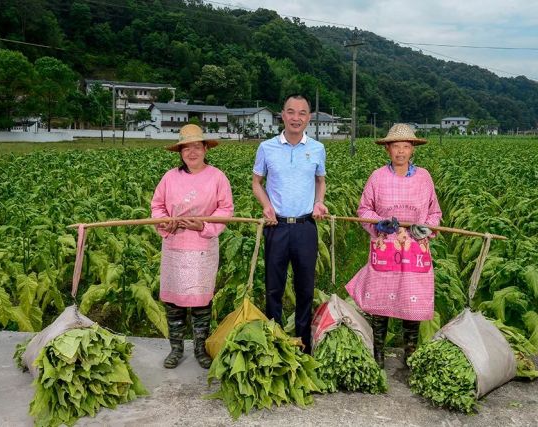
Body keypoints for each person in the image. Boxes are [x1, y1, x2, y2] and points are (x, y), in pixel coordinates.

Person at [345, 123, 442, 368]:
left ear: (413, 150)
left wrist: (426, 228)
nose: (400, 151)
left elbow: (434, 211)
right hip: (385, 245)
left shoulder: (424, 177)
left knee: (413, 299)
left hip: (414, 249)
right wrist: (379, 224)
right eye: (396, 146)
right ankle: (378, 352)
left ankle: (410, 353)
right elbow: (364, 209)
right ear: (387, 149)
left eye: (406, 147)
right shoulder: (377, 177)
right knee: (381, 300)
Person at [151, 124, 234, 369]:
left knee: (200, 301)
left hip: (202, 247)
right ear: (180, 152)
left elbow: (226, 209)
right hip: (175, 245)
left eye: (197, 147)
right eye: (186, 148)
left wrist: (203, 225)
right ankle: (176, 348)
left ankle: (200, 348)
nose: (191, 153)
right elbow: (157, 206)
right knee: (174, 302)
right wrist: (166, 222)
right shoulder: (169, 177)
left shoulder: (217, 177)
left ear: (205, 148)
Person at [252, 94, 328, 352]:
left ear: (308, 117)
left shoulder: (317, 148)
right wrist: (266, 205)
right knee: (274, 285)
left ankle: (304, 342)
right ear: (282, 115)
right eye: (291, 112)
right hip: (278, 226)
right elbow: (256, 182)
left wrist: (319, 202)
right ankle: (275, 341)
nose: (296, 118)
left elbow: (320, 180)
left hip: (306, 226)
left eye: (302, 113)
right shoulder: (267, 147)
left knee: (305, 286)